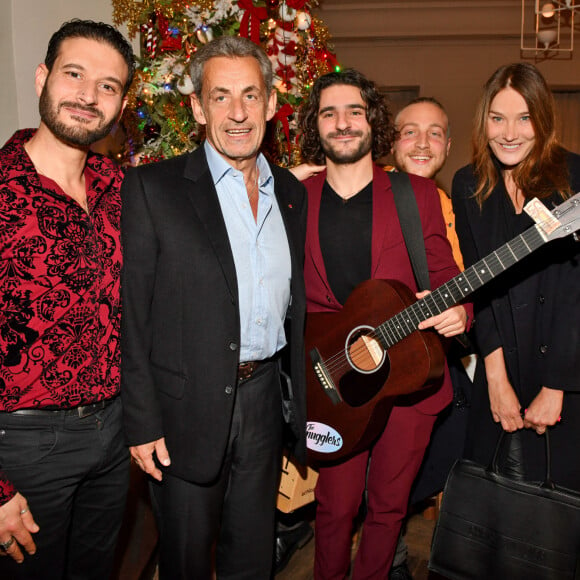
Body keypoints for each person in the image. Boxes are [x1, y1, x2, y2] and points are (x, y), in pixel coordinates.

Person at [120, 35, 308, 579]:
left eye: (250, 95)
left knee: (252, 557)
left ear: (271, 104)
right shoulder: (154, 189)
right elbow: (133, 314)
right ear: (199, 108)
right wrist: (141, 421)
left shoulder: (291, 194)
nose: (238, 113)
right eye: (220, 97)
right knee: (184, 561)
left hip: (265, 402)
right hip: (182, 414)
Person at [298, 69, 471, 579]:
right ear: (317, 125)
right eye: (329, 112)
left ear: (373, 121)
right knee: (333, 509)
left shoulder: (413, 194)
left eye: (354, 111)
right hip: (333, 374)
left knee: (389, 509)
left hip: (406, 379)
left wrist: (462, 311)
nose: (343, 122)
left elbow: (445, 274)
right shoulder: (294, 199)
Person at [0, 19, 134, 580]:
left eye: (107, 85)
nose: (87, 95)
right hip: (23, 444)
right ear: (42, 78)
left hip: (114, 435)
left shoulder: (123, 190)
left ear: (123, 103)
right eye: (74, 74)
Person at [452, 62, 580, 491]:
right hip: (500, 367)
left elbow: (574, 293)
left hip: (566, 368)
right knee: (489, 516)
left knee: (557, 526)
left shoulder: (575, 176)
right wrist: (496, 380)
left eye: (524, 118)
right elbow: (478, 288)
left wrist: (557, 385)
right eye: (497, 118)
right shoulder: (468, 185)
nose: (510, 133)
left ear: (542, 121)